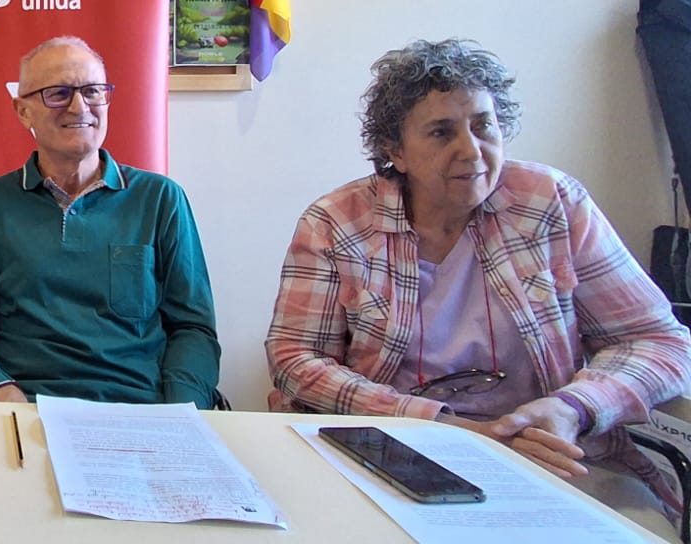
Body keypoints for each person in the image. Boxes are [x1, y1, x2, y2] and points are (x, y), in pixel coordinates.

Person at [265, 38, 691, 515]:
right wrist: (443, 425)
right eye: (442, 133)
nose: (472, 151)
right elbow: (295, 358)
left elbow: (660, 341)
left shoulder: (552, 203)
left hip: (550, 454)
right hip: (396, 449)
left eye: (483, 127)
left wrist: (573, 407)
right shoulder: (336, 222)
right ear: (395, 151)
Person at [0, 35, 220, 404]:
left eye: (93, 91)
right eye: (58, 93)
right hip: (25, 409)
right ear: (22, 111)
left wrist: (181, 411)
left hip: (138, 410)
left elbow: (192, 329)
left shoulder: (161, 199)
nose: (79, 107)